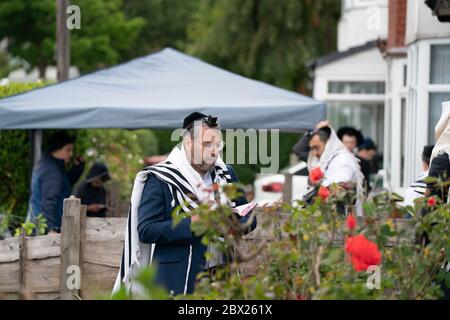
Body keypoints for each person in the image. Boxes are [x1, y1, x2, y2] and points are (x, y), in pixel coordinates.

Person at [114, 112, 257, 295]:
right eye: (207, 144)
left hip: (222, 279)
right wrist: (194, 223)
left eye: (218, 145)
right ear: (188, 143)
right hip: (176, 279)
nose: (214, 151)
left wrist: (234, 223)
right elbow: (146, 230)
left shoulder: (226, 174)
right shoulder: (161, 178)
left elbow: (249, 219)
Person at [293, 121, 365, 211]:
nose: (314, 153)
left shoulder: (344, 160)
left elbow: (339, 190)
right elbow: (299, 150)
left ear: (328, 144)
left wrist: (320, 183)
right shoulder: (328, 159)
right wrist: (313, 131)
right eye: (312, 148)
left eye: (317, 147)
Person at [27, 130, 85, 234]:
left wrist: (78, 169)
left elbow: (62, 186)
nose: (71, 154)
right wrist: (51, 230)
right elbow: (48, 202)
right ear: (57, 149)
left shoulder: (50, 163)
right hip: (43, 230)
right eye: (68, 150)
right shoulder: (51, 170)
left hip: (40, 225)